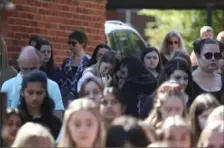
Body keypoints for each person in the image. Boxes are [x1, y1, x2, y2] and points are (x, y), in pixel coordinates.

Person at [1, 46, 64, 120]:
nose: (28, 73)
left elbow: (58, 117)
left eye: (33, 69)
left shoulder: (53, 86)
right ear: (18, 63)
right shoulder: (8, 86)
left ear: (40, 63)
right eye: (24, 69)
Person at [18, 70, 62, 139]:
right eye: (30, 93)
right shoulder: (16, 121)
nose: (34, 98)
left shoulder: (55, 123)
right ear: (22, 92)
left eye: (39, 93)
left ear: (45, 93)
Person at [61, 30, 91, 101]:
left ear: (82, 44)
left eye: (74, 43)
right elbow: (62, 80)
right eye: (69, 43)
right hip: (66, 98)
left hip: (82, 97)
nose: (70, 46)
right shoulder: (66, 62)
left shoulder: (89, 61)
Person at [192, 38, 224, 104]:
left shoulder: (222, 79)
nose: (213, 58)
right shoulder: (188, 80)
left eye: (217, 55)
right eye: (208, 55)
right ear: (198, 56)